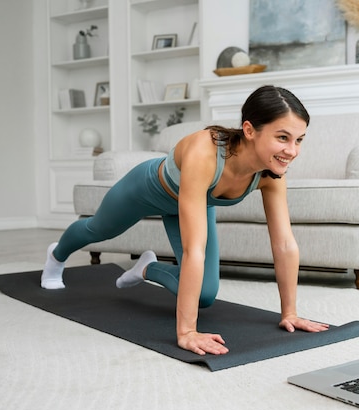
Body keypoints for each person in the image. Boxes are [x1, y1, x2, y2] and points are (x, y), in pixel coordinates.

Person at [41, 85, 329, 356]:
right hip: (148, 189)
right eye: (283, 137)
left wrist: (289, 313)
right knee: (99, 228)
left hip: (194, 202)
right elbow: (195, 250)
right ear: (250, 130)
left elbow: (284, 244)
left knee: (204, 295)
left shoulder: (271, 174)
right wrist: (187, 331)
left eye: (299, 140)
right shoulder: (205, 151)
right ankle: (57, 255)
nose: (292, 151)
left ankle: (147, 268)